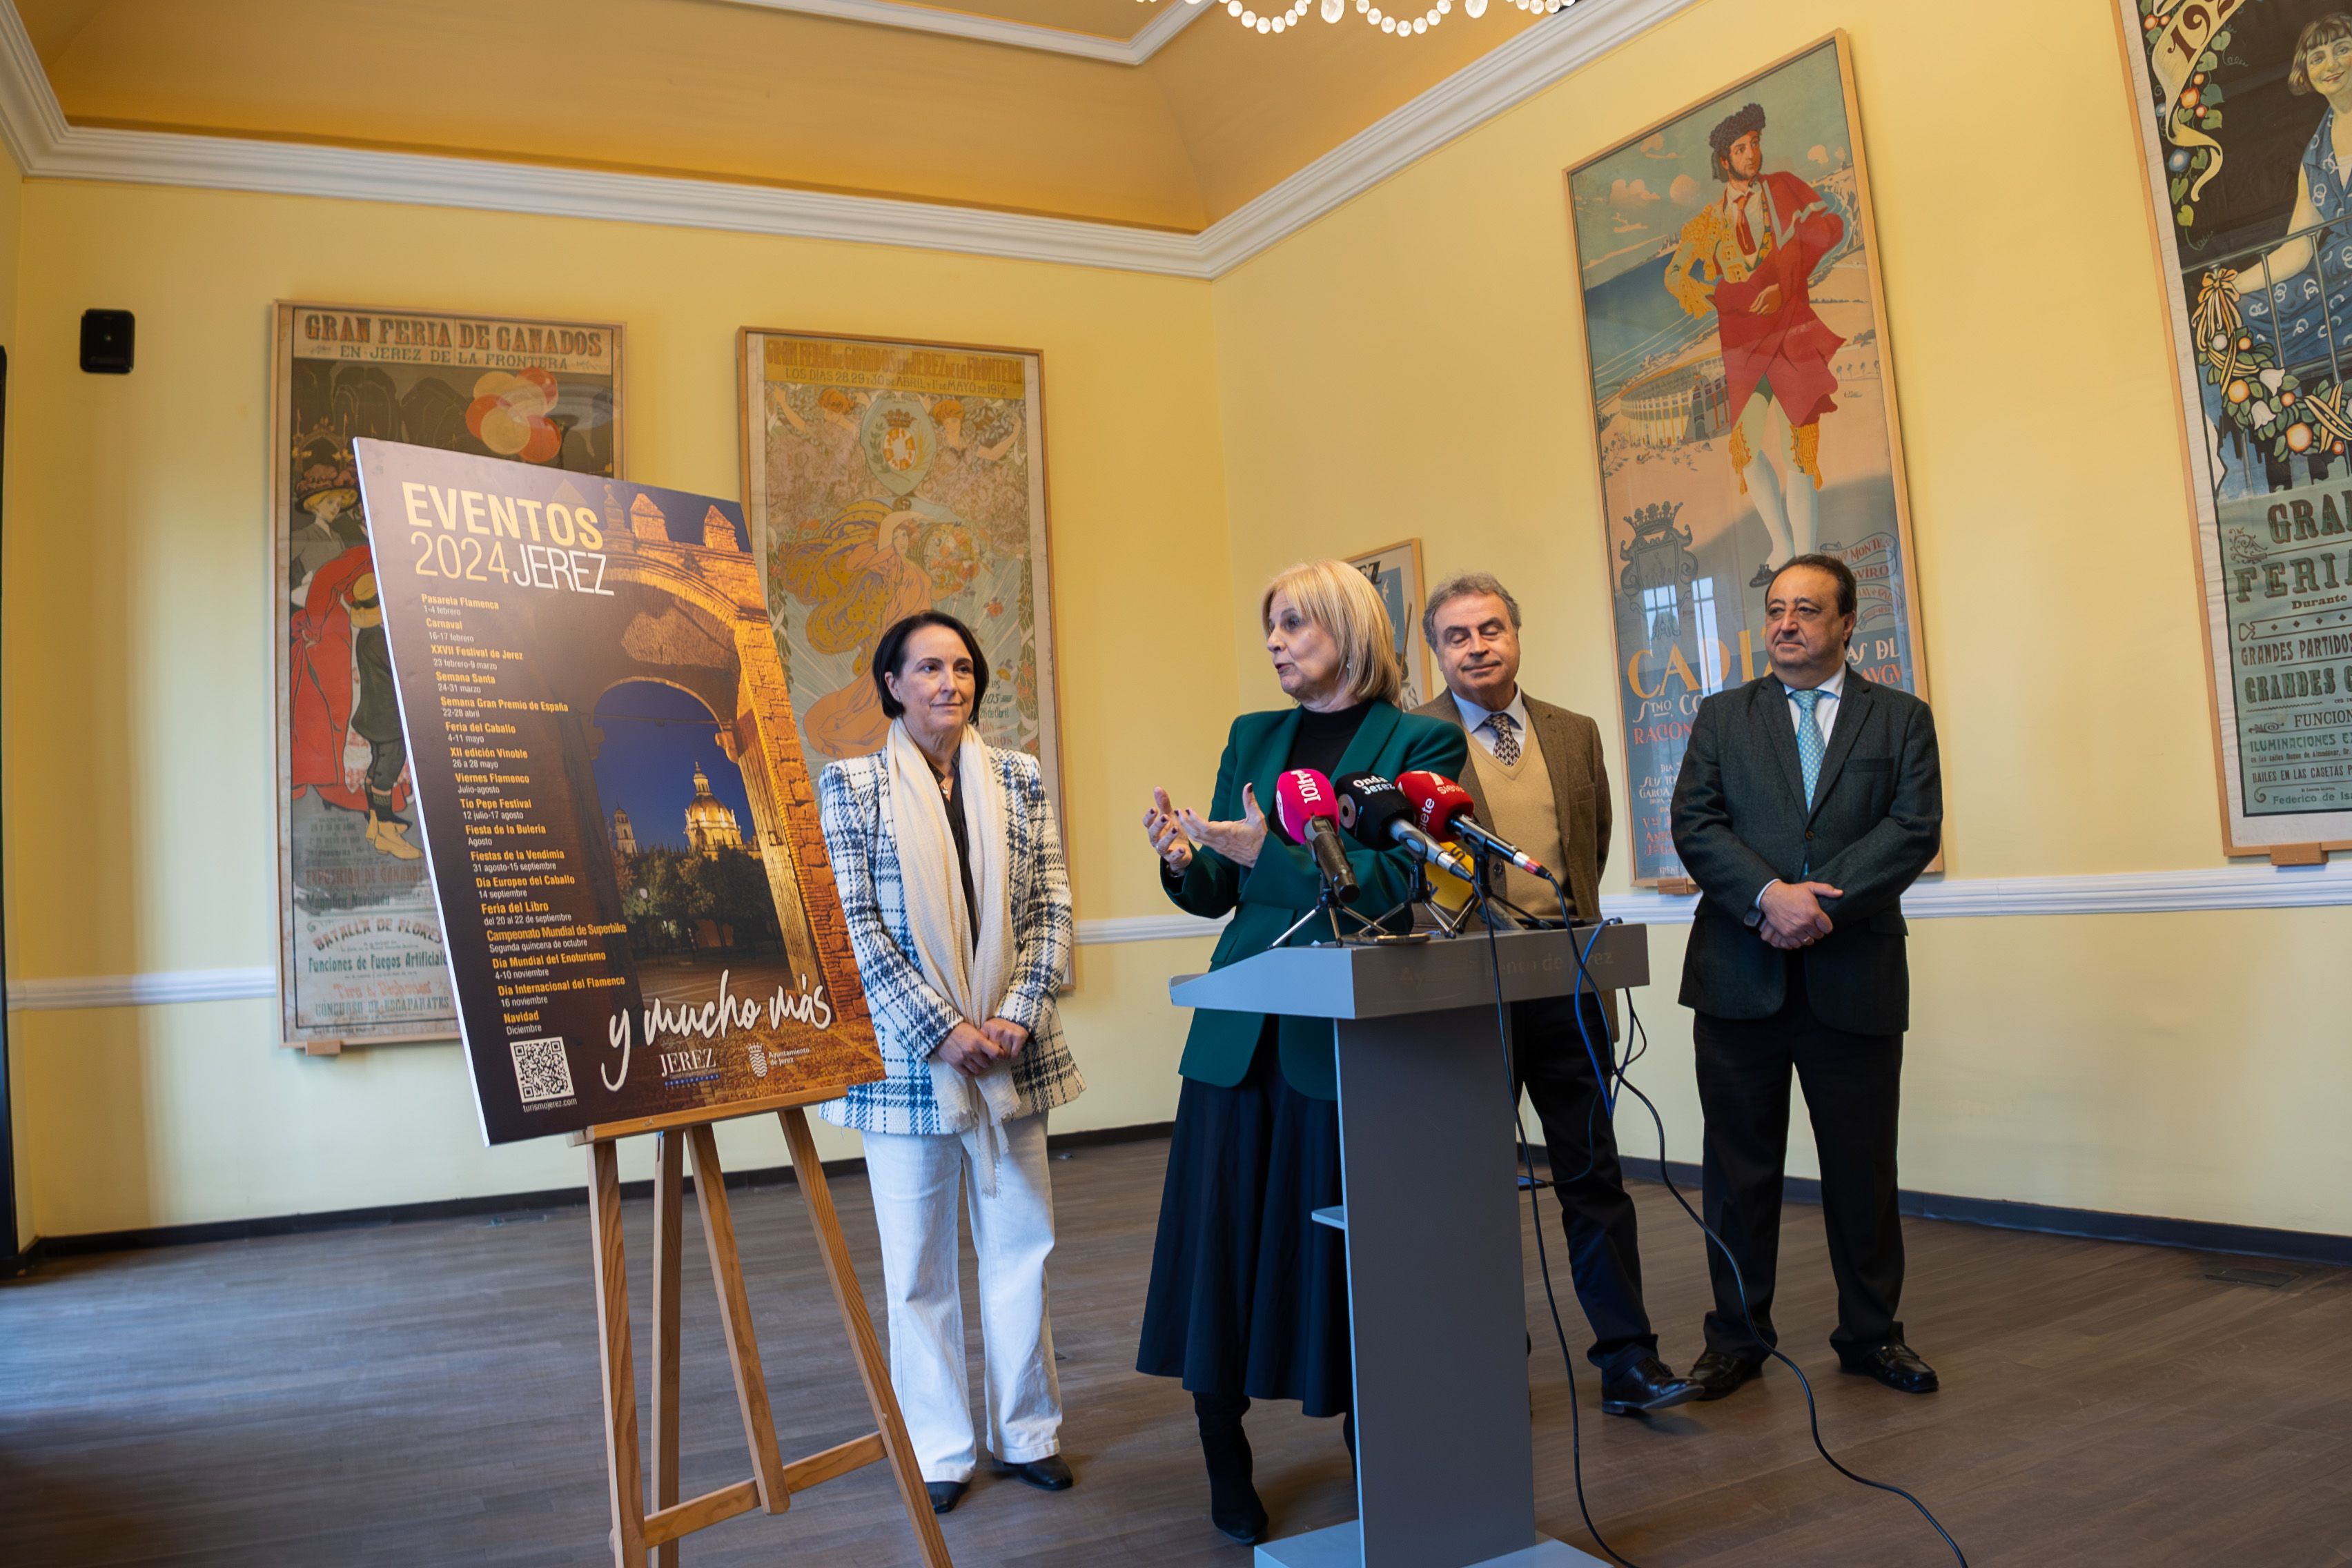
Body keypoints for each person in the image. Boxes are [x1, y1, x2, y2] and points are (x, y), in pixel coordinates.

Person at [1137, 560, 1468, 1545]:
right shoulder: (1254, 737)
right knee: (1221, 1260)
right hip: (1242, 1036)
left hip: (1348, 1043)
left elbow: (1379, 887)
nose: (1276, 643)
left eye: (1292, 625)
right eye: (1270, 629)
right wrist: (1184, 857)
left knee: (1352, 1263)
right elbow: (1221, 895)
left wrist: (1255, 855)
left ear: (1345, 626)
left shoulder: (1422, 740)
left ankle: (1382, 1447)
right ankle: (1224, 1461)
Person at [814, 610, 1083, 1515]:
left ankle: (1029, 1432)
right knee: (918, 1267)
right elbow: (854, 927)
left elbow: (1051, 904)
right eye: (927, 667)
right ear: (891, 683)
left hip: (1011, 1054)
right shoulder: (850, 785)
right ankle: (939, 1447)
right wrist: (939, 1028)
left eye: (962, 667)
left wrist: (1015, 1013)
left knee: (1022, 1251)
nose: (949, 683)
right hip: (906, 1063)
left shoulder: (1020, 777)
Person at [1413, 573, 1699, 1418]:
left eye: (1491, 628)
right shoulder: (1412, 736)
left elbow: (1593, 841)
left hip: (1569, 981)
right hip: (1465, 990)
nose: (1478, 646)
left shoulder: (1572, 733)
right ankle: (1488, 1349)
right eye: (1458, 636)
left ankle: (1628, 1358)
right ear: (1436, 651)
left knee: (1593, 1174)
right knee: (1471, 1183)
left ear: (1517, 633)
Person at [1667, 554, 1943, 1402]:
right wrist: (1766, 898)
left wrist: (1817, 905)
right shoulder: (1723, 716)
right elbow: (1695, 821)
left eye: (1807, 610)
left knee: (1862, 1172)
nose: (1786, 624)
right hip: (1739, 977)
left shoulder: (1899, 718)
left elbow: (1912, 827)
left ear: (1848, 623)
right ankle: (1736, 1339)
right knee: (1738, 1173)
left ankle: (1871, 1335)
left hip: (1852, 976)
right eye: (1777, 609)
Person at [1666, 101, 1847, 585]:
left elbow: (1830, 229)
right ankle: (1782, 547)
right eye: (1742, 148)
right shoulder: (1708, 222)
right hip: (1742, 347)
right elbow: (1675, 273)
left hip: (1789, 330)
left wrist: (1783, 285)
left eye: (1755, 143)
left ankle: (1806, 562)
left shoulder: (1782, 188)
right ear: (1725, 160)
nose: (1753, 154)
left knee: (1798, 449)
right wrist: (1726, 298)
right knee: (1746, 448)